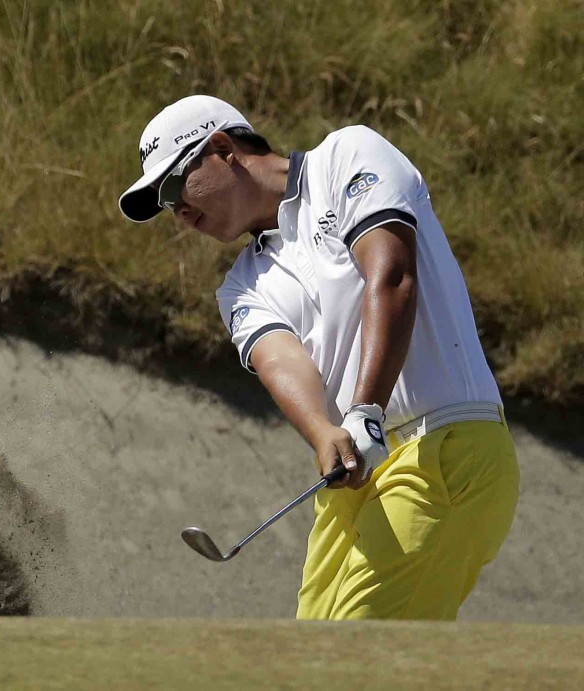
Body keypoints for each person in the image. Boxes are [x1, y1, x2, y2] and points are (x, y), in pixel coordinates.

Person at [117, 95, 519, 620]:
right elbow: (279, 359)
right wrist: (324, 432)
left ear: (221, 148)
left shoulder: (347, 156)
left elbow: (393, 276)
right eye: (167, 206)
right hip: (357, 472)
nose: (179, 213)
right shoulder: (239, 286)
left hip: (446, 446)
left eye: (174, 187)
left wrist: (366, 411)